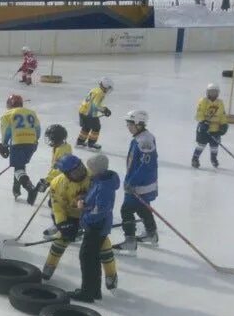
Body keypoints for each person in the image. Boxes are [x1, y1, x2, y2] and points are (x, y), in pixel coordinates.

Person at [73, 153, 120, 301]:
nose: (89, 169)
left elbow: (99, 210)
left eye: (91, 167)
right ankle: (94, 291)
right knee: (92, 258)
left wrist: (84, 213)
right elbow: (91, 199)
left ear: (97, 169)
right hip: (95, 225)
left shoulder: (104, 186)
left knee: (87, 258)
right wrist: (83, 200)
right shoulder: (99, 180)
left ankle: (87, 293)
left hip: (96, 226)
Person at [115, 110, 158, 253]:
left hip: (140, 185)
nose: (128, 126)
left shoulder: (144, 140)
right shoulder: (141, 137)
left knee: (126, 210)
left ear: (139, 124)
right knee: (143, 208)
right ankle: (151, 234)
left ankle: (130, 241)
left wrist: (132, 182)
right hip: (142, 183)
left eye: (130, 124)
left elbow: (145, 166)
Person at [41, 154, 90, 281]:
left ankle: (111, 274)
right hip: (70, 215)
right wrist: (63, 224)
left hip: (90, 215)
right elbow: (58, 207)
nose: (81, 172)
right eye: (75, 172)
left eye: (80, 167)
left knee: (101, 245)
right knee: (60, 241)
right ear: (67, 174)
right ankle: (49, 266)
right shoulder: (57, 183)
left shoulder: (93, 177)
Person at [0, 94, 41, 204]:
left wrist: (3, 144)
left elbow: (6, 132)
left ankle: (30, 188)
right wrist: (34, 140)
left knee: (18, 169)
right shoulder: (31, 113)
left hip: (18, 143)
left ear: (9, 104)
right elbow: (38, 129)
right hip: (32, 143)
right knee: (20, 166)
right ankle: (16, 189)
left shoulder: (7, 115)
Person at [192, 83, 228, 168]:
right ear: (207, 92)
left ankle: (213, 159)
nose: (213, 94)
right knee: (201, 145)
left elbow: (222, 115)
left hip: (216, 130)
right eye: (211, 92)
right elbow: (199, 113)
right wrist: (203, 121)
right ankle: (195, 159)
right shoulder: (204, 101)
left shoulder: (220, 102)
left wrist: (224, 125)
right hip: (204, 129)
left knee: (214, 147)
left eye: (215, 92)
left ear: (218, 93)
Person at [76, 77, 113, 149]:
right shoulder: (100, 93)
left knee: (86, 127)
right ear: (105, 86)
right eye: (108, 88)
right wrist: (104, 110)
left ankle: (80, 142)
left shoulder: (95, 89)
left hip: (83, 110)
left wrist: (103, 109)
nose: (108, 90)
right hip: (89, 113)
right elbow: (95, 105)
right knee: (96, 127)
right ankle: (91, 144)